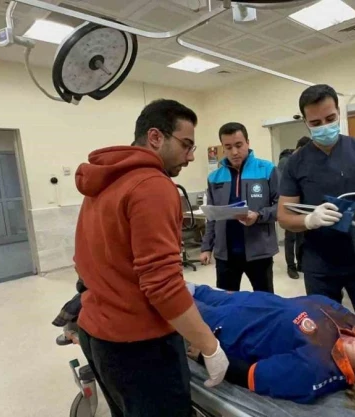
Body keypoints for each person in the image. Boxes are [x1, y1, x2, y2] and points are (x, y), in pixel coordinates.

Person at [73, 99, 229, 417]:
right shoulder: (153, 185)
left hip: (96, 336)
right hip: (139, 348)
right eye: (185, 145)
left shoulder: (104, 181)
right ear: (155, 137)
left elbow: (83, 259)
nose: (191, 156)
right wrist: (209, 345)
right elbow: (163, 285)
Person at [186, 284, 355, 417]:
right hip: (236, 298)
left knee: (163, 285)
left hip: (217, 323)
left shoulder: (316, 371)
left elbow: (250, 375)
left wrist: (205, 354)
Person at [277, 85, 355, 328]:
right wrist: (308, 220)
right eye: (315, 123)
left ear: (339, 112)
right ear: (305, 122)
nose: (324, 126)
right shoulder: (296, 162)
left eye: (330, 118)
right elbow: (284, 216)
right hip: (320, 264)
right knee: (327, 333)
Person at [199, 122, 279, 293]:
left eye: (239, 145)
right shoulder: (214, 177)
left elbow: (282, 206)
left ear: (248, 143)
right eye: (228, 147)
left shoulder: (267, 170)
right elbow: (211, 216)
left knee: (264, 300)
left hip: (259, 251)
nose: (234, 152)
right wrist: (206, 247)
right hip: (225, 254)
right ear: (223, 148)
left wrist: (258, 215)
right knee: (227, 301)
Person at [278, 136, 311, 279]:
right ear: (299, 148)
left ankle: (300, 263)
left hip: (302, 204)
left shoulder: (304, 160)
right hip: (289, 204)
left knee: (301, 235)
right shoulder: (285, 162)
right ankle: (291, 266)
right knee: (290, 237)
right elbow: (282, 185)